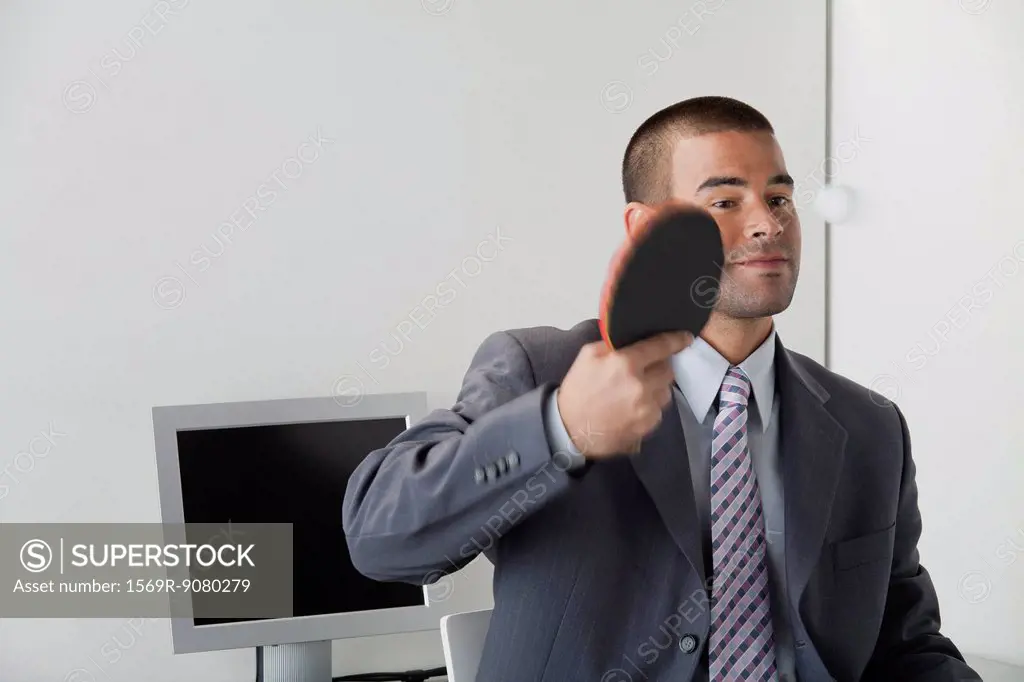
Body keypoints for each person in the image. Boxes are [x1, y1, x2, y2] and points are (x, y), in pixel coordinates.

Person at [342, 96, 981, 681]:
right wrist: (560, 429)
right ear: (646, 228)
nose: (767, 224)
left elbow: (905, 646)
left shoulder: (869, 426)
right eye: (725, 202)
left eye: (779, 198)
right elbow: (379, 539)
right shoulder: (540, 370)